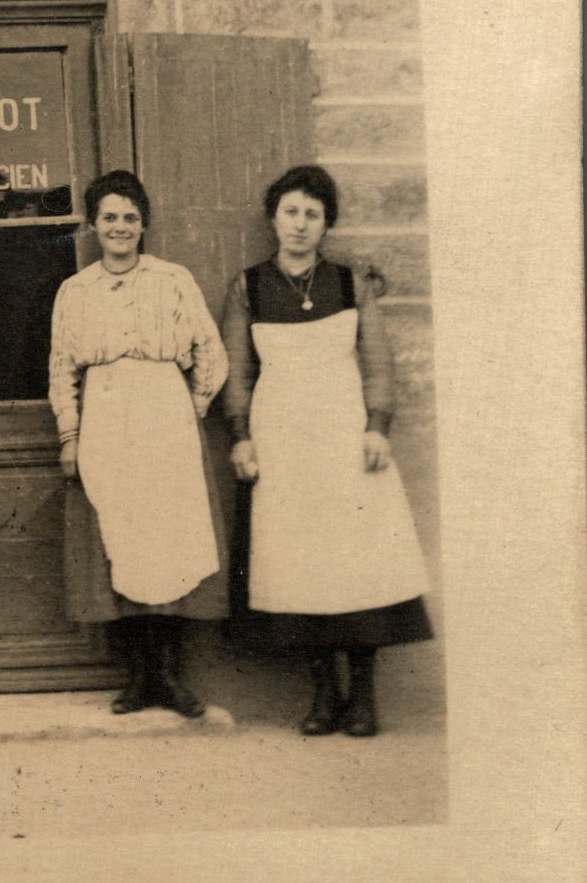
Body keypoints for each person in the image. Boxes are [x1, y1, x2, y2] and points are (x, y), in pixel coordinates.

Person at [222, 165, 432, 737]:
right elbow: (236, 371)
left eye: (312, 215)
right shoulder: (249, 287)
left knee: (357, 564)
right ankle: (323, 697)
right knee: (300, 567)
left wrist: (377, 426)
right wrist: (240, 435)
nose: (300, 224)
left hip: (345, 439)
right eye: (290, 212)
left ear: (326, 224)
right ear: (273, 219)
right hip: (284, 444)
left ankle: (363, 699)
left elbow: (378, 360)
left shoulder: (349, 283)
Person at [49, 170, 229, 717]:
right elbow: (61, 368)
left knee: (167, 541)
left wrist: (185, 408)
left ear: (144, 223)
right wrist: (71, 434)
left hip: (165, 425)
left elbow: (211, 354)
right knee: (117, 541)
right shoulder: (76, 291)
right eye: (109, 217)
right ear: (92, 225)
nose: (120, 227)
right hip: (105, 424)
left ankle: (170, 679)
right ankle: (137, 678)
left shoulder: (172, 280)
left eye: (130, 217)